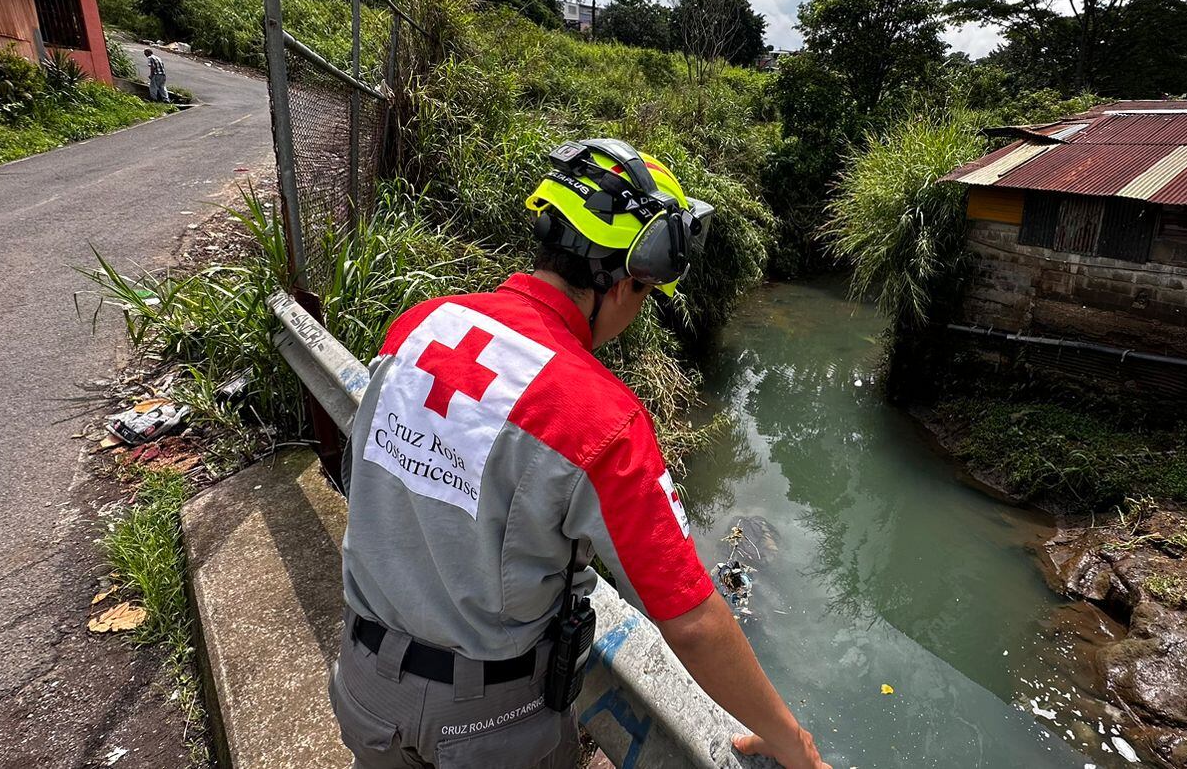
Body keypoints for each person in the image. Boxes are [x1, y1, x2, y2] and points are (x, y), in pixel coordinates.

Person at [331, 138, 829, 769]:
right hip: (490, 727)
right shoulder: (598, 418)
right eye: (645, 293)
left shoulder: (421, 324)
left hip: (363, 688)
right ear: (623, 282)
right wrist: (793, 742)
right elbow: (692, 620)